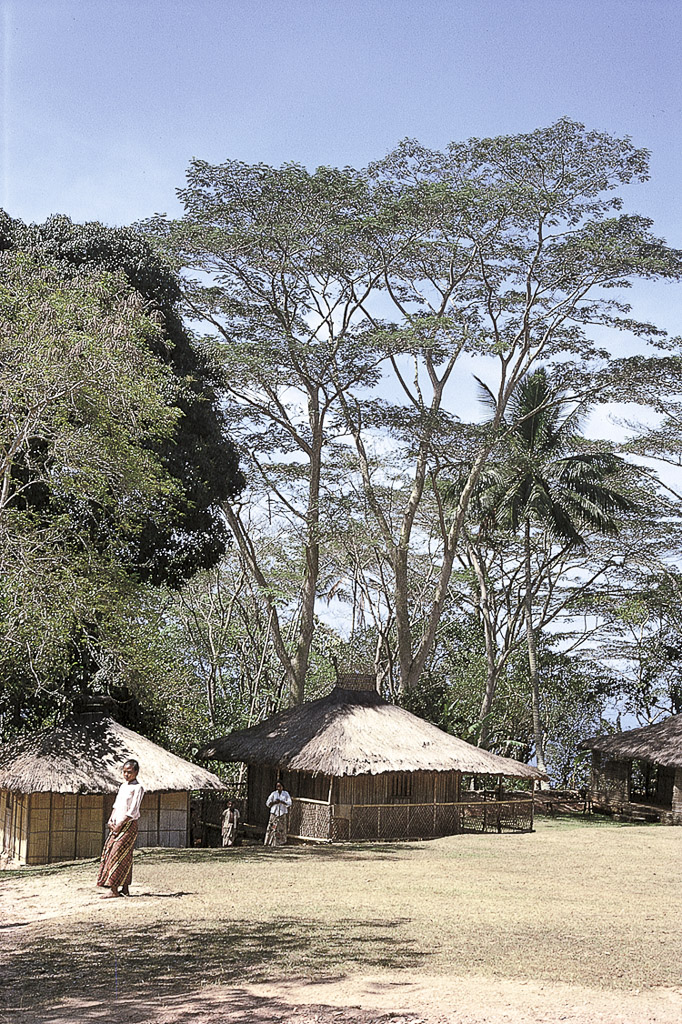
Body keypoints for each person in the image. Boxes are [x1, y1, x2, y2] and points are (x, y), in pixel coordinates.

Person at [97, 758, 144, 898]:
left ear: (136, 772)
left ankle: (113, 889)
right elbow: (117, 806)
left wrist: (120, 824)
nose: (126, 775)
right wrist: (111, 819)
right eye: (124, 772)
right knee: (117, 853)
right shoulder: (123, 787)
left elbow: (133, 810)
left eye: (129, 772)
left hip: (128, 825)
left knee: (117, 854)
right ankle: (125, 888)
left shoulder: (138, 788)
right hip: (117, 824)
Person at [264, 780, 292, 847]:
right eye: (277, 786)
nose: (278, 788)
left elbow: (289, 803)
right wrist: (274, 802)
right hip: (274, 813)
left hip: (282, 813)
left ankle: (281, 842)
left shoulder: (285, 794)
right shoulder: (273, 794)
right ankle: (269, 842)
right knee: (272, 827)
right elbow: (268, 803)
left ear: (282, 787)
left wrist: (282, 802)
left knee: (281, 828)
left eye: (280, 786)